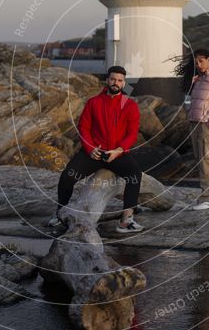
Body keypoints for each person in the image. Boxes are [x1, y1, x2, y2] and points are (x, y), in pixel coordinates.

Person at [48, 66, 144, 232]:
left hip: (117, 153)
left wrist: (119, 150)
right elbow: (84, 128)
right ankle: (60, 214)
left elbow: (132, 134)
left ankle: (126, 220)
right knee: (67, 176)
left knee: (134, 175)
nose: (116, 83)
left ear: (124, 83)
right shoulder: (93, 103)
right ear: (107, 80)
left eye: (120, 80)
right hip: (94, 153)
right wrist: (91, 148)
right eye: (113, 79)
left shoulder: (130, 105)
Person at [178, 48, 209, 210]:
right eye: (196, 61)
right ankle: (207, 196)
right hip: (195, 124)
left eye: (201, 60)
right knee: (201, 161)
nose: (198, 64)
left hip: (208, 125)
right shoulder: (199, 79)